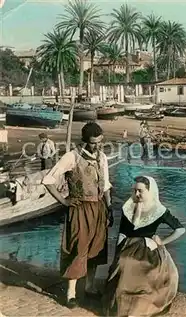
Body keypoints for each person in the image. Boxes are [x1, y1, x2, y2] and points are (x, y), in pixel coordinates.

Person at [42, 122, 113, 308]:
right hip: (80, 209)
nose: (97, 146)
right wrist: (64, 201)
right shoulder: (72, 157)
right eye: (93, 143)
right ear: (84, 141)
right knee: (78, 248)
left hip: (99, 208)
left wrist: (109, 207)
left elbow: (105, 185)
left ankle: (89, 287)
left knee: (96, 249)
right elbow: (48, 180)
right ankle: (71, 294)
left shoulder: (102, 157)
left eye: (100, 142)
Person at [102, 176, 185, 317]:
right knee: (123, 263)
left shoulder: (159, 210)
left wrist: (162, 242)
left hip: (148, 247)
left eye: (140, 191)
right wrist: (117, 251)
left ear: (150, 191)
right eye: (134, 190)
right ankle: (123, 305)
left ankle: (139, 306)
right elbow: (122, 232)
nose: (137, 194)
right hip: (128, 245)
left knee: (146, 269)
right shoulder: (128, 207)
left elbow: (180, 229)